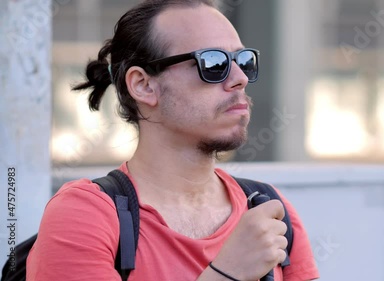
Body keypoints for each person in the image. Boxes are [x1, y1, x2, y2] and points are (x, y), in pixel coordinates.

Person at [27, 0, 320, 280]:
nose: (240, 77)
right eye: (213, 63)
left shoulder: (267, 208)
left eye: (243, 61)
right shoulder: (84, 217)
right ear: (143, 85)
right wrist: (229, 273)